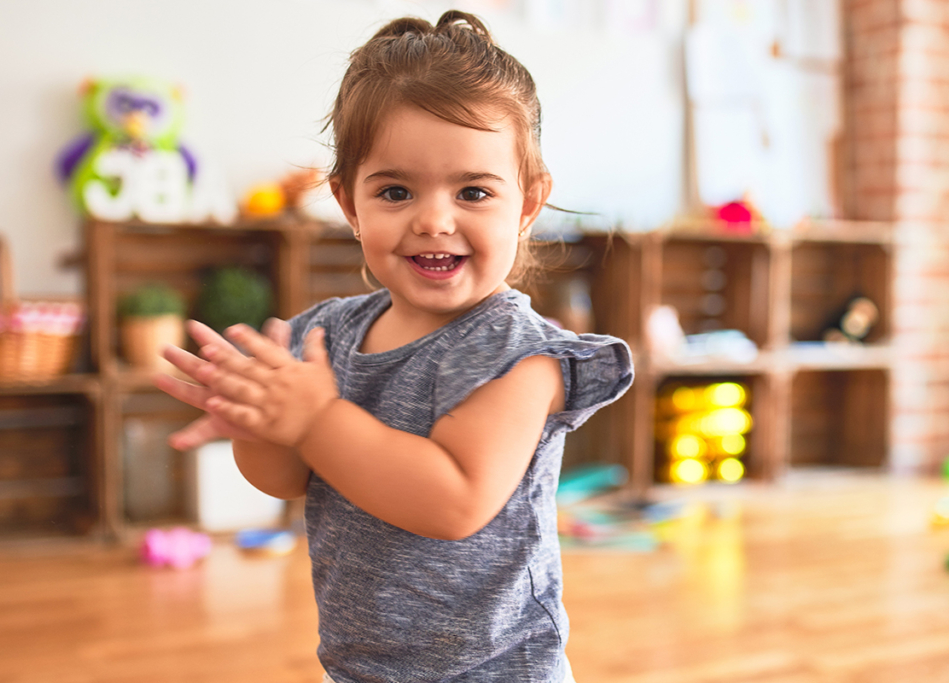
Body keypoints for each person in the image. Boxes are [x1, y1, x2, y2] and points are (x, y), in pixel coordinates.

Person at [157, 11, 633, 683]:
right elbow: (288, 479)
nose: (434, 219)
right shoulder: (325, 336)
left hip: (494, 670)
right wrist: (261, 428)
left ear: (527, 202)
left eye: (473, 191)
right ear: (349, 203)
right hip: (360, 665)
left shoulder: (520, 355)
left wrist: (316, 419)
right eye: (396, 190)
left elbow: (455, 500)